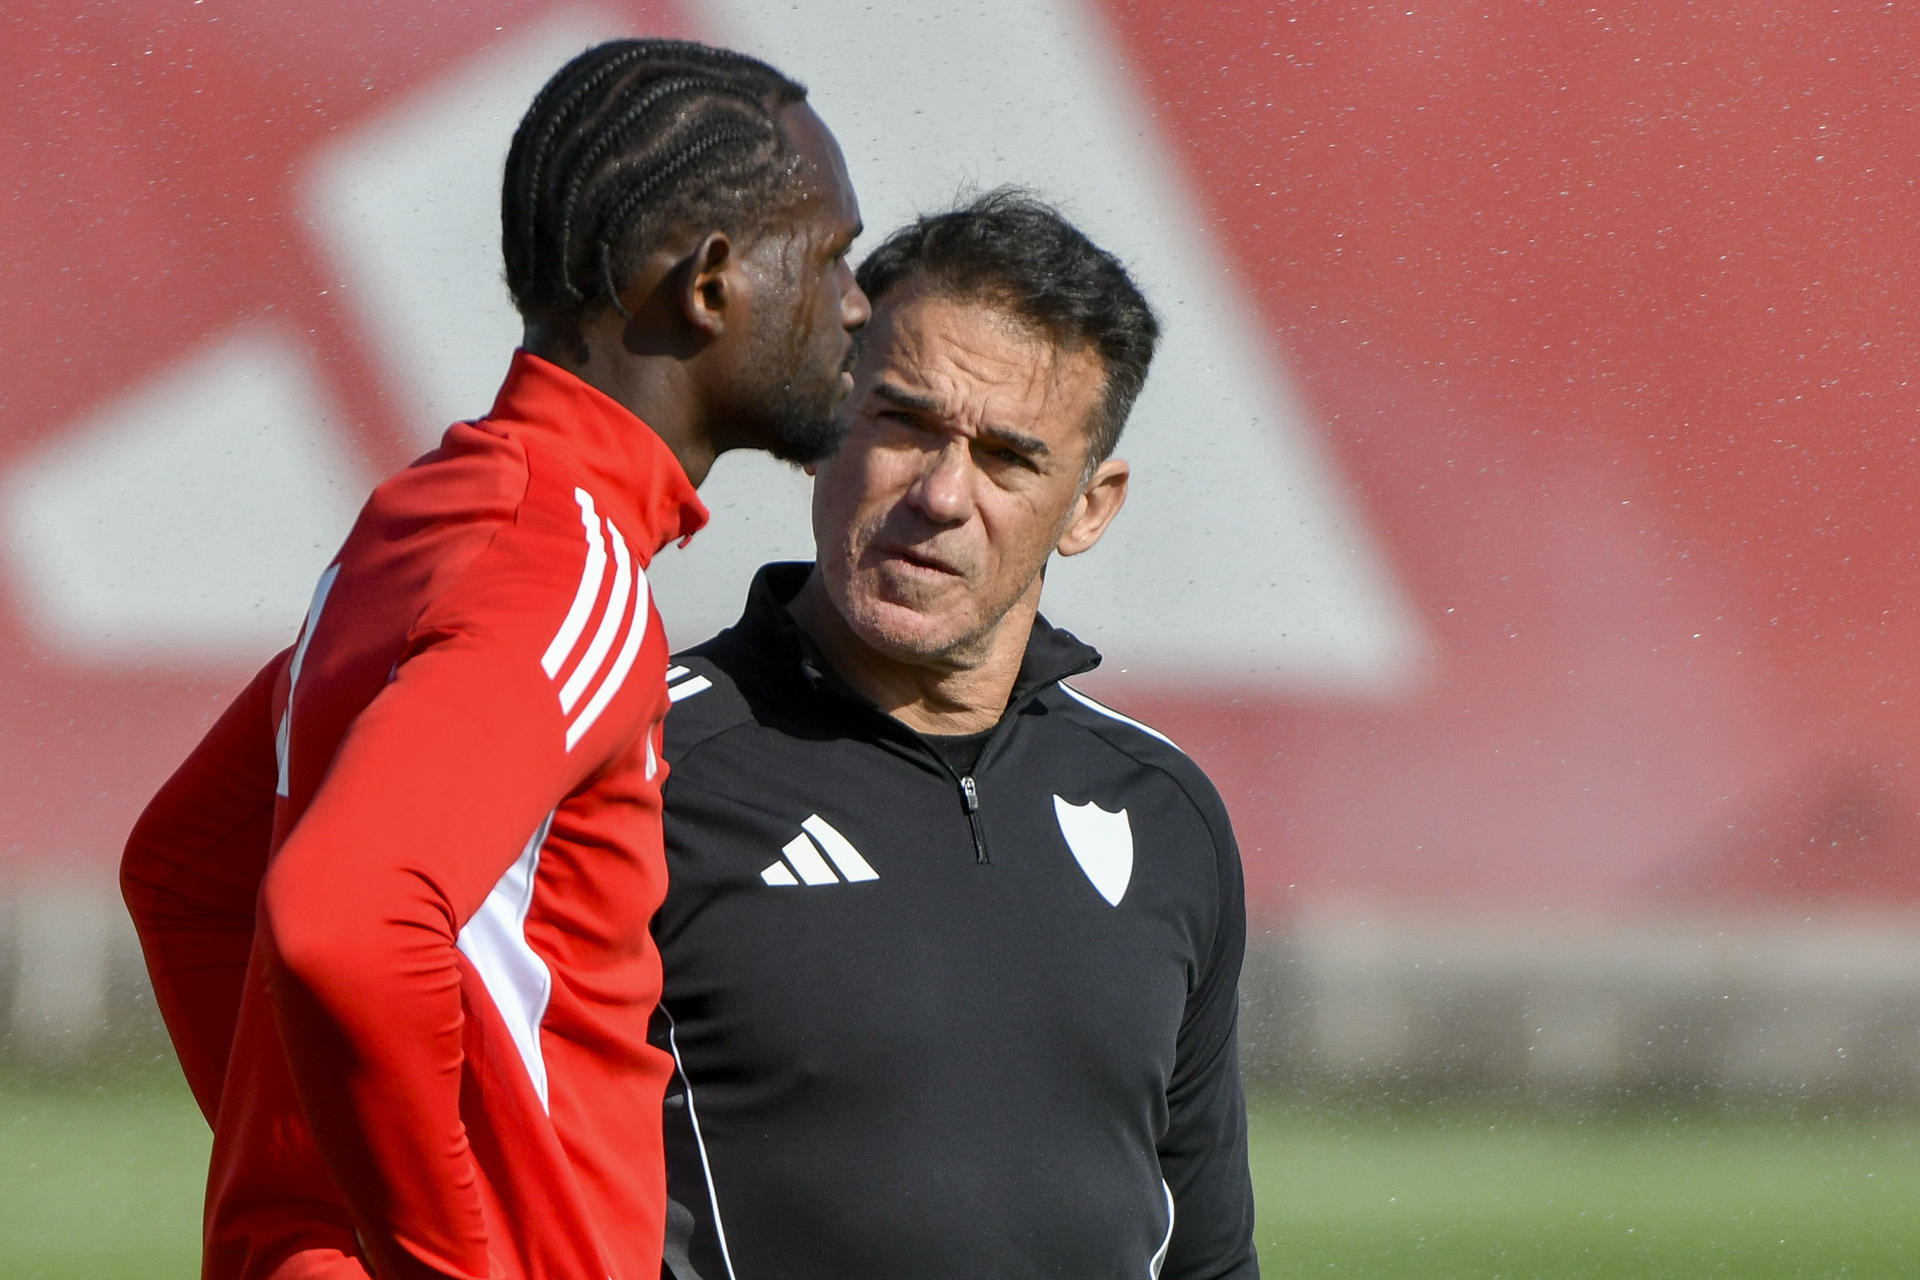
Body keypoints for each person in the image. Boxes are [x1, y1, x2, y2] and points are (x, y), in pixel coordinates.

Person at [118, 38, 868, 1280]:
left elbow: (184, 871)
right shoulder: (564, 566)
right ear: (712, 282)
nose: (854, 304)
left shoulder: (430, 517)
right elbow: (339, 918)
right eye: (834, 257)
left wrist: (324, 1197)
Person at [651, 190, 1259, 1279]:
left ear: (1089, 506)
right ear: (821, 418)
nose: (940, 493)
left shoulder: (1164, 815)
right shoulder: (639, 771)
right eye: (905, 421)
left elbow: (1211, 1261)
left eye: (1008, 458)